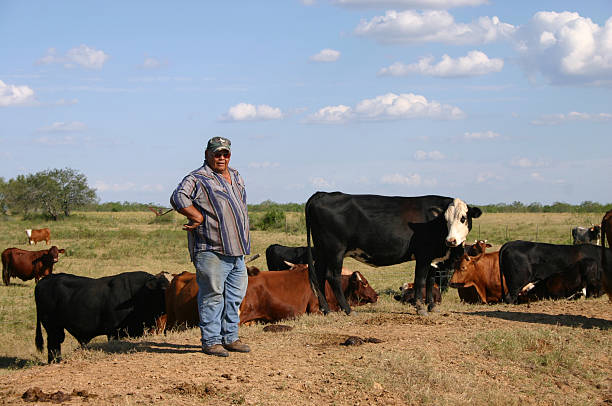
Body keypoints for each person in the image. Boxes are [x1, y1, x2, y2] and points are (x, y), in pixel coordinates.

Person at [170, 136, 251, 357]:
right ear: (207, 154)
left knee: (235, 296)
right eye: (217, 153)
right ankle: (211, 341)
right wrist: (196, 215)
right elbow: (178, 197)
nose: (221, 158)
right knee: (212, 295)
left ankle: (230, 337)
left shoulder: (235, 175)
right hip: (211, 247)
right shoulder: (197, 178)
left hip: (237, 250)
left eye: (225, 153)